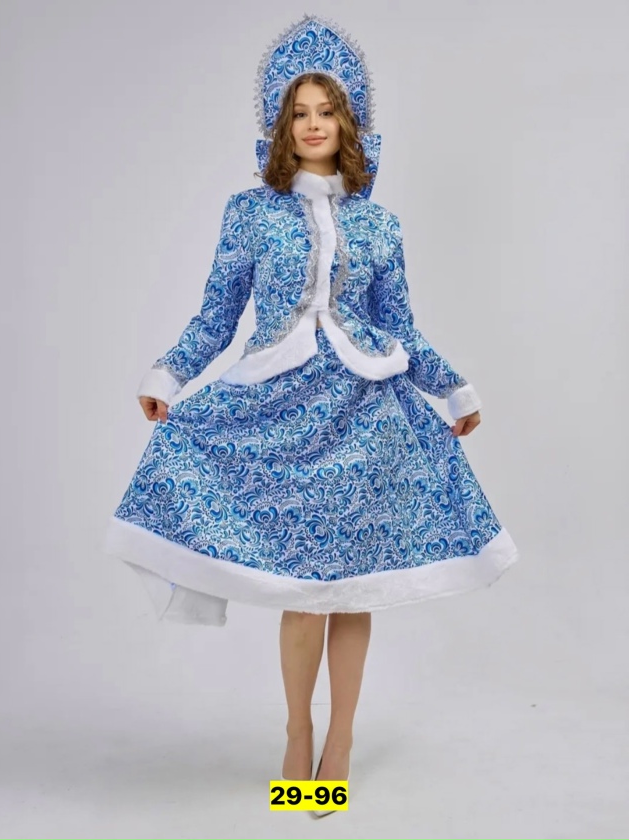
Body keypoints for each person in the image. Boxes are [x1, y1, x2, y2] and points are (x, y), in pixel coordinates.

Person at [102, 14, 519, 812]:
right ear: (280, 124)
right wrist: (171, 374)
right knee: (303, 592)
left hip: (366, 415)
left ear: (349, 122)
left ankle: (341, 743)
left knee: (352, 591)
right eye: (300, 112)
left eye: (328, 111)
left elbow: (400, 328)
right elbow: (217, 316)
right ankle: (297, 734)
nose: (315, 124)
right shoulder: (249, 213)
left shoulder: (380, 224)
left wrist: (453, 390)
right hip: (281, 414)